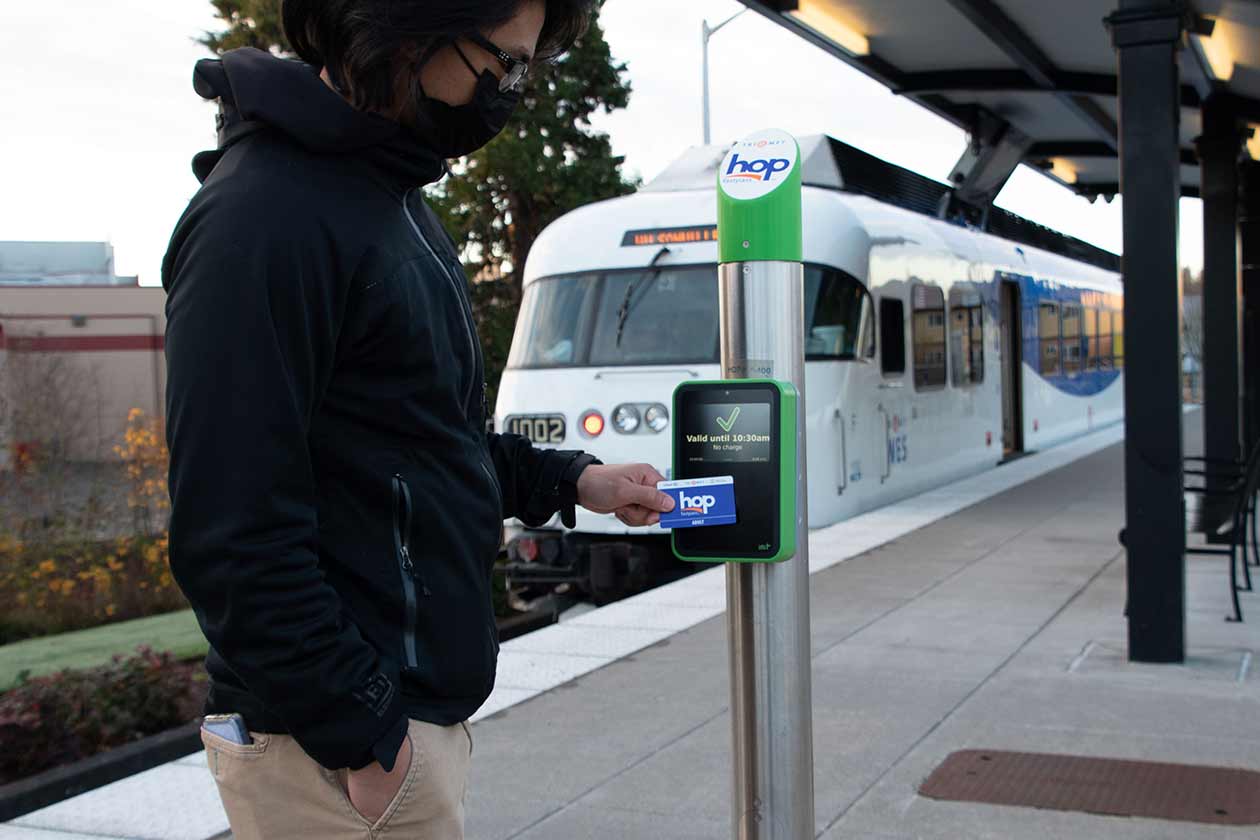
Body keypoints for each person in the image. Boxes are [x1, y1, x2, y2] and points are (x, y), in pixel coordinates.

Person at [161, 1, 674, 836]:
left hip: (387, 729)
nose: (514, 90)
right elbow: (230, 531)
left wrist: (577, 480)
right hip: (330, 751)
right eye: (504, 63)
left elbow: (430, 437)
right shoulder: (264, 219)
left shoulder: (388, 198)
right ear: (409, 21)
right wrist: (365, 737)